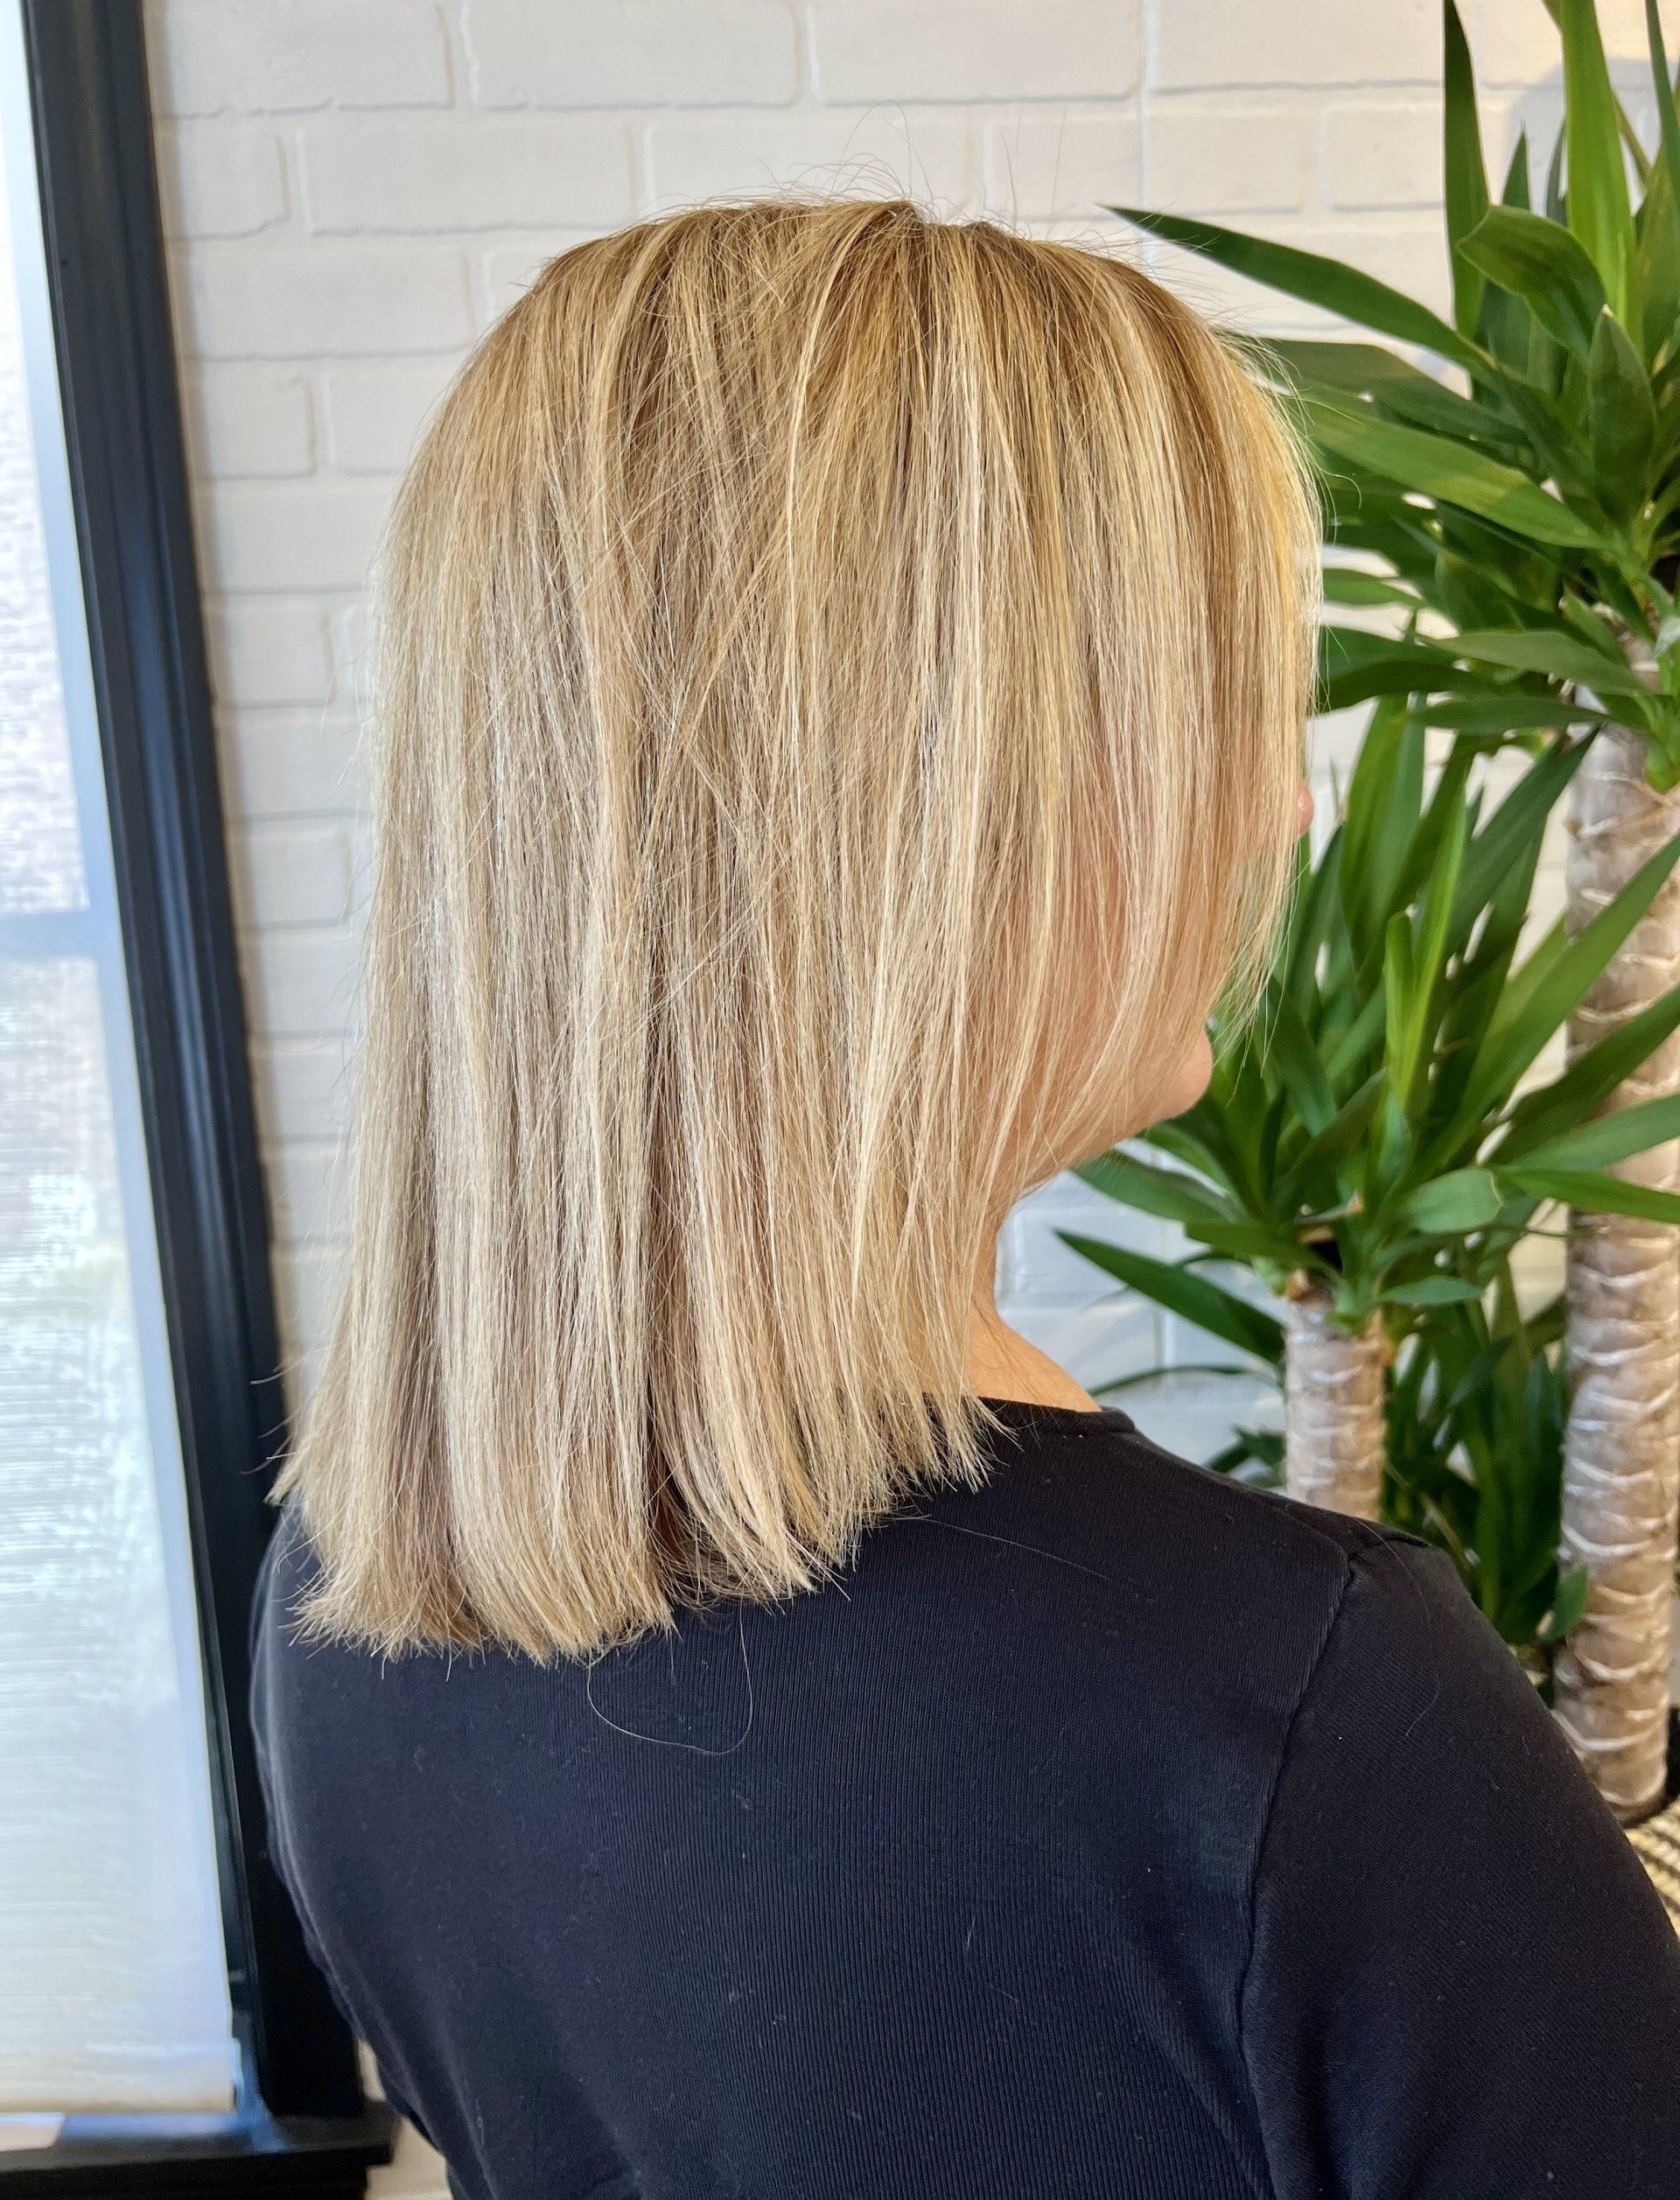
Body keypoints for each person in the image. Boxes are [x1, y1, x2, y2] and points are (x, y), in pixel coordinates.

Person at [250, 199, 1680, 2200]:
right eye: (1219, 705)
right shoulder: (1295, 1737)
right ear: (936, 801)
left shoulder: (343, 1594)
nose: (1282, 805)